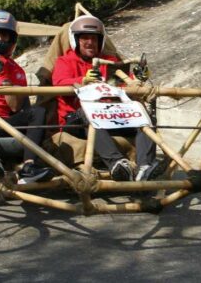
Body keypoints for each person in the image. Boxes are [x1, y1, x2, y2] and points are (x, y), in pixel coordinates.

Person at [52, 15, 164, 181]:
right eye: (85, 38)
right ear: (75, 40)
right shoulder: (65, 61)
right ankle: (117, 163)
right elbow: (58, 84)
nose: (90, 42)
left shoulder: (109, 61)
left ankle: (145, 166)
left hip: (110, 116)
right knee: (88, 111)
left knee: (144, 114)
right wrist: (82, 81)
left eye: (94, 38)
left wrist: (138, 77)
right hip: (76, 119)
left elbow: (123, 83)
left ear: (101, 41)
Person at [0, 10, 53, 184]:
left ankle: (29, 166)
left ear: (12, 39)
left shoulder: (15, 70)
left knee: (38, 112)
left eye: (5, 35)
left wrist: (4, 75)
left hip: (3, 122)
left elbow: (15, 107)